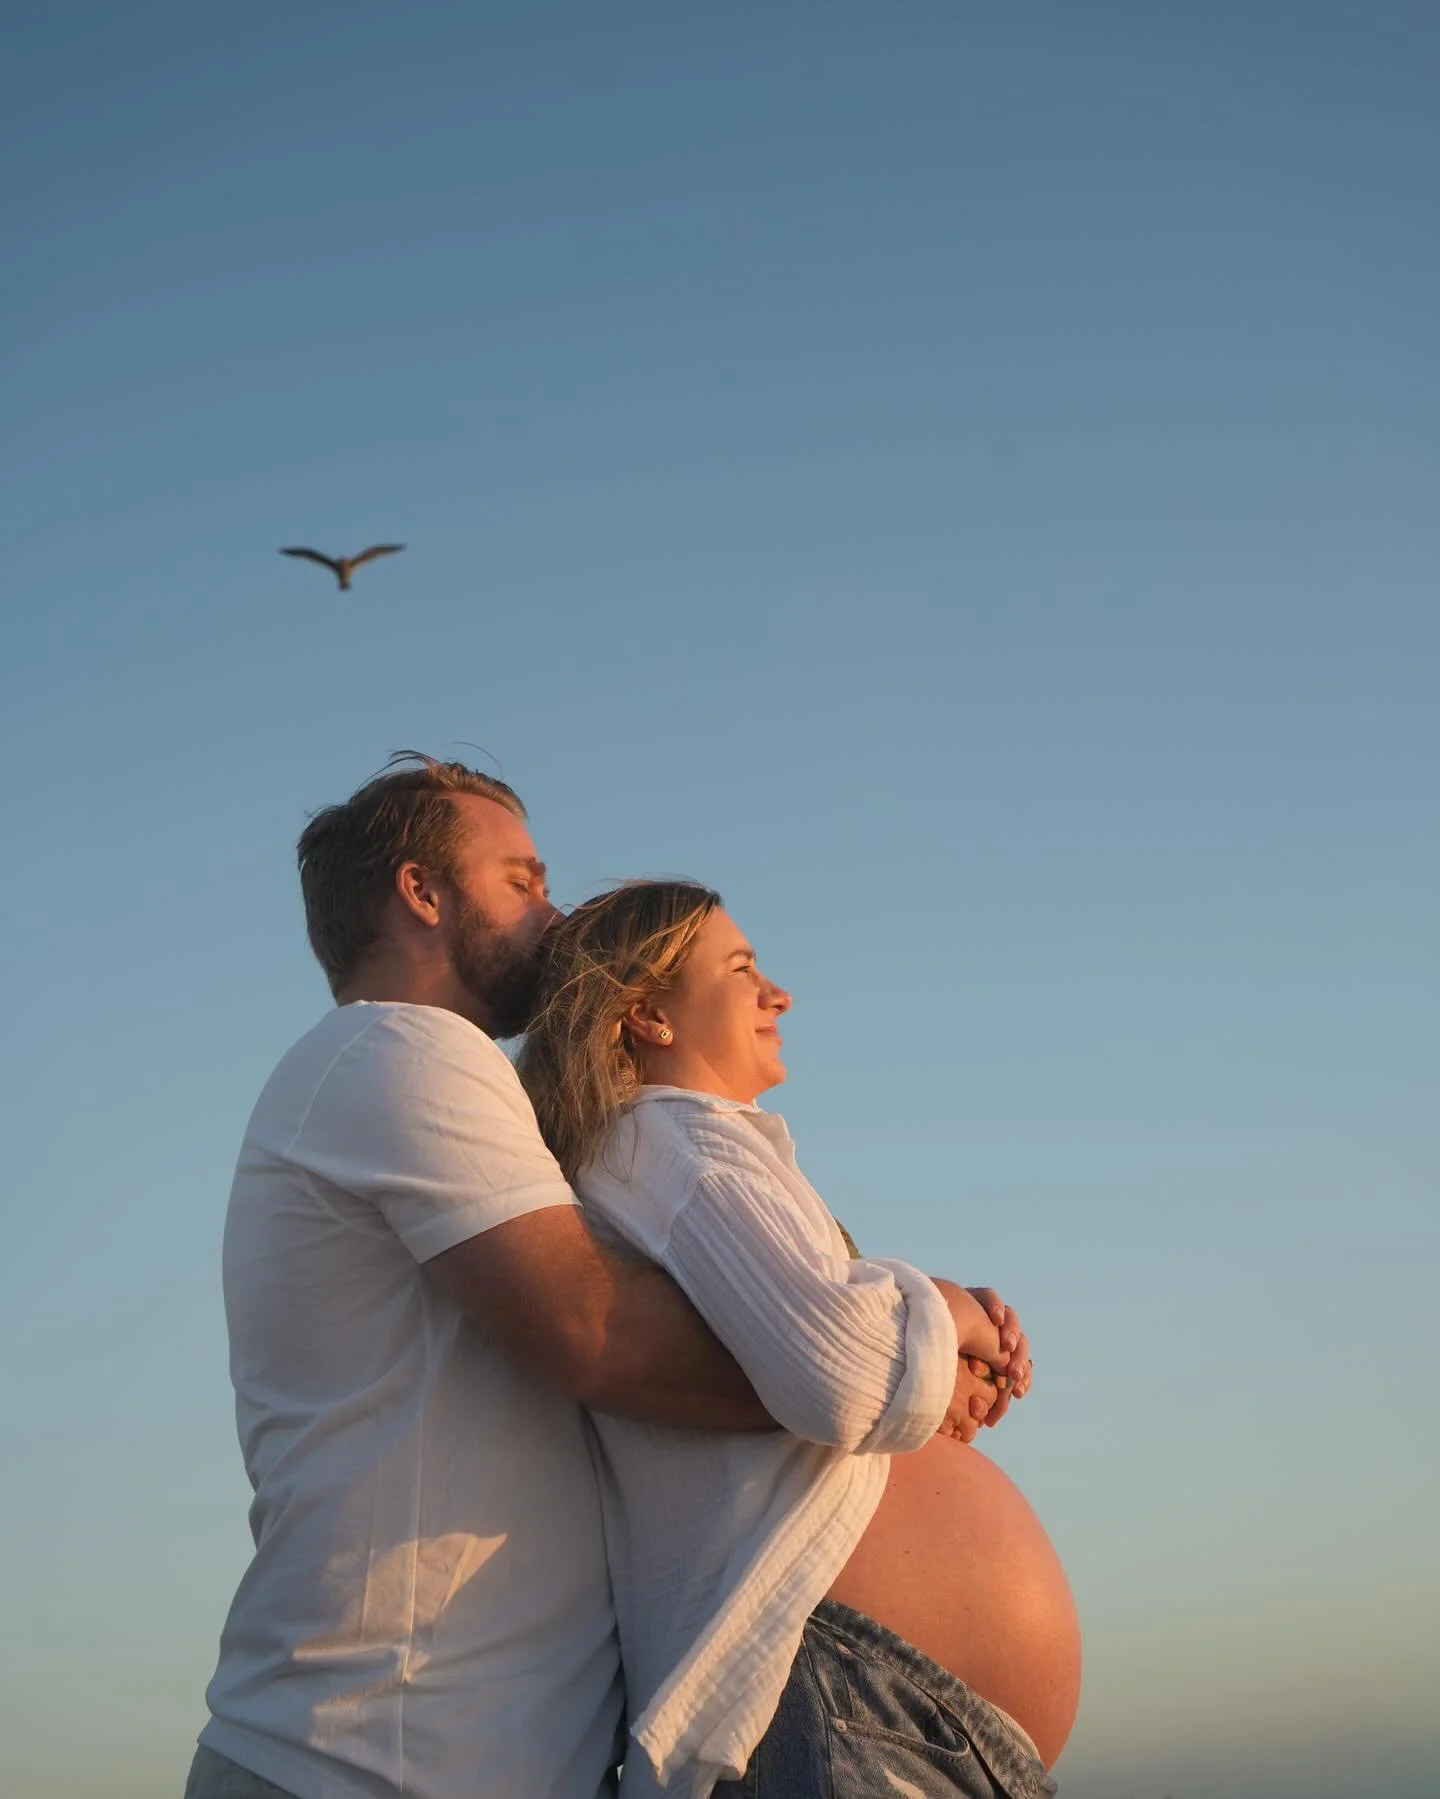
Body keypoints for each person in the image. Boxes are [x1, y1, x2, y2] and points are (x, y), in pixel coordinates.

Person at [185, 756, 982, 1799]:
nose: (554, 914)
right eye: (520, 880)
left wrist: (884, 1340)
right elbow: (595, 1327)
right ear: (421, 892)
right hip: (368, 1760)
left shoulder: (423, 1078)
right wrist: (906, 1360)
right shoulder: (400, 1046)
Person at [519, 881, 1081, 1799]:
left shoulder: (681, 1156)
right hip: (836, 1699)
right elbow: (838, 1372)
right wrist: (942, 1313)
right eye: (741, 969)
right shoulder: (672, 1141)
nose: (777, 994)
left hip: (867, 1713)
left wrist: (932, 1374)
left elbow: (816, 1365)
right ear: (650, 1015)